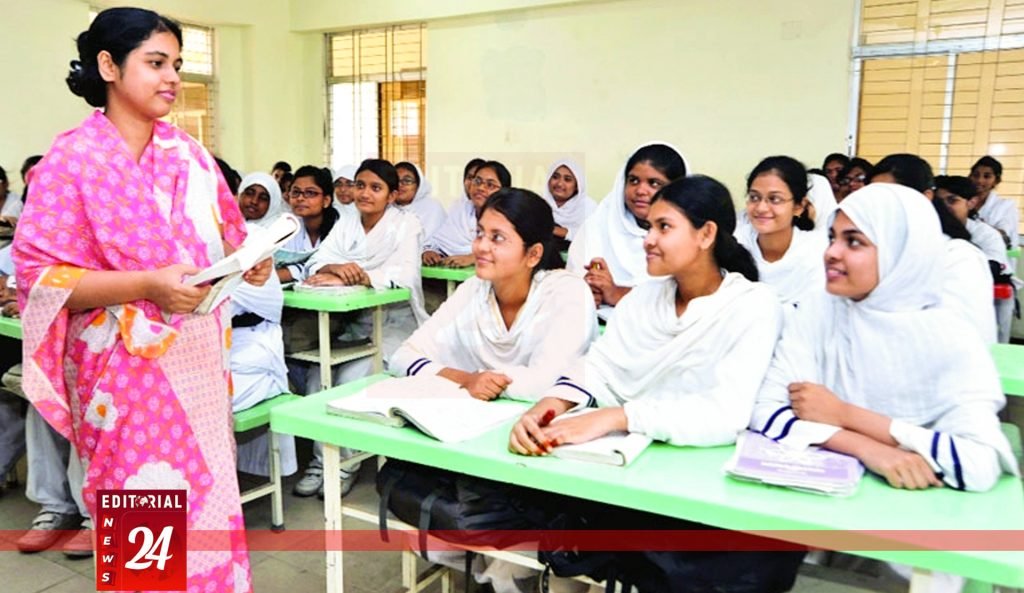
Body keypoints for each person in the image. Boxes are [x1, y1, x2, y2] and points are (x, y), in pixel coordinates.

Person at [13, 8, 266, 589]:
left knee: (206, 503)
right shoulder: (71, 160)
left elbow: (230, 236)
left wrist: (253, 255)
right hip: (122, 378)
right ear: (108, 66)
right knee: (146, 517)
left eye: (176, 64)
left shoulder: (193, 157)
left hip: (198, 364)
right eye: (156, 63)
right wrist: (146, 285)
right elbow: (40, 276)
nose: (173, 77)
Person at [510, 176, 802, 593]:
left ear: (706, 234)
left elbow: (727, 413)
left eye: (664, 227)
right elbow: (599, 367)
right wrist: (549, 406)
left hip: (700, 488)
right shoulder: (645, 299)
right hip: (628, 469)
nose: (649, 239)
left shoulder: (752, 305)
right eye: (649, 227)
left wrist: (620, 415)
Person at [752, 183, 1018, 492]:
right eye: (832, 238)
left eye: (854, 242)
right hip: (822, 504)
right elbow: (766, 410)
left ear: (901, 252)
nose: (831, 253)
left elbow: (975, 464)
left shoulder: (949, 337)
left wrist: (845, 414)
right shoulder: (821, 308)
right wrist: (869, 449)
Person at [869, 153, 995, 343]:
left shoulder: (958, 257)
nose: (879, 205)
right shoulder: (875, 250)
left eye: (891, 195)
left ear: (926, 197)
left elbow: (966, 337)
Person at [566, 142, 687, 315]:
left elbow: (681, 297)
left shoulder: (686, 236)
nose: (640, 190)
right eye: (633, 181)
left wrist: (617, 293)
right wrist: (586, 292)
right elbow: (573, 279)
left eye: (654, 183)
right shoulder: (600, 223)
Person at [230, 173, 296, 478]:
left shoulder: (256, 241)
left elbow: (263, 302)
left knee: (181, 412)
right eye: (248, 194)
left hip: (250, 346)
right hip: (197, 349)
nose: (253, 202)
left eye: (263, 196)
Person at [735, 156, 826, 309]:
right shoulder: (736, 243)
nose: (761, 208)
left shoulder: (818, 251)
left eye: (775, 199)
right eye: (754, 197)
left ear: (799, 206)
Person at [935, 175, 1017, 343]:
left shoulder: (986, 234)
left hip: (991, 294)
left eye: (952, 200)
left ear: (971, 203)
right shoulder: (931, 230)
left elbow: (994, 266)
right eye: (940, 201)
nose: (945, 207)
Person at [422, 159, 511, 268]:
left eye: (490, 185)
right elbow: (441, 242)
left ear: (504, 191)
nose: (480, 188)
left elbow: (513, 252)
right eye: (477, 181)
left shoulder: (510, 218)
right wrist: (430, 251)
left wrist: (474, 257)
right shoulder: (461, 210)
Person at [277, 164, 351, 283]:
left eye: (310, 193)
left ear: (326, 201)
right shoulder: (289, 227)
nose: (300, 198)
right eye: (295, 192)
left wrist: (287, 273)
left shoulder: (344, 227)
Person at [540, 158, 596, 251]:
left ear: (577, 186)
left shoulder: (589, 207)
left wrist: (564, 232)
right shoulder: (538, 202)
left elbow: (594, 237)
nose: (560, 183)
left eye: (567, 179)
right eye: (555, 177)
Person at [970, 156, 1019, 254]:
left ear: (996, 181)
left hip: (993, 259)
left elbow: (1004, 235)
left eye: (987, 176)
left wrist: (980, 226)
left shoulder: (1006, 206)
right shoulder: (962, 202)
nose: (980, 180)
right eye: (976, 175)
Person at [394, 161, 446, 241]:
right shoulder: (386, 208)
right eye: (395, 181)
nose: (400, 185)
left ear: (419, 185)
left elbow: (438, 242)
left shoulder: (432, 208)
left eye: (407, 181)